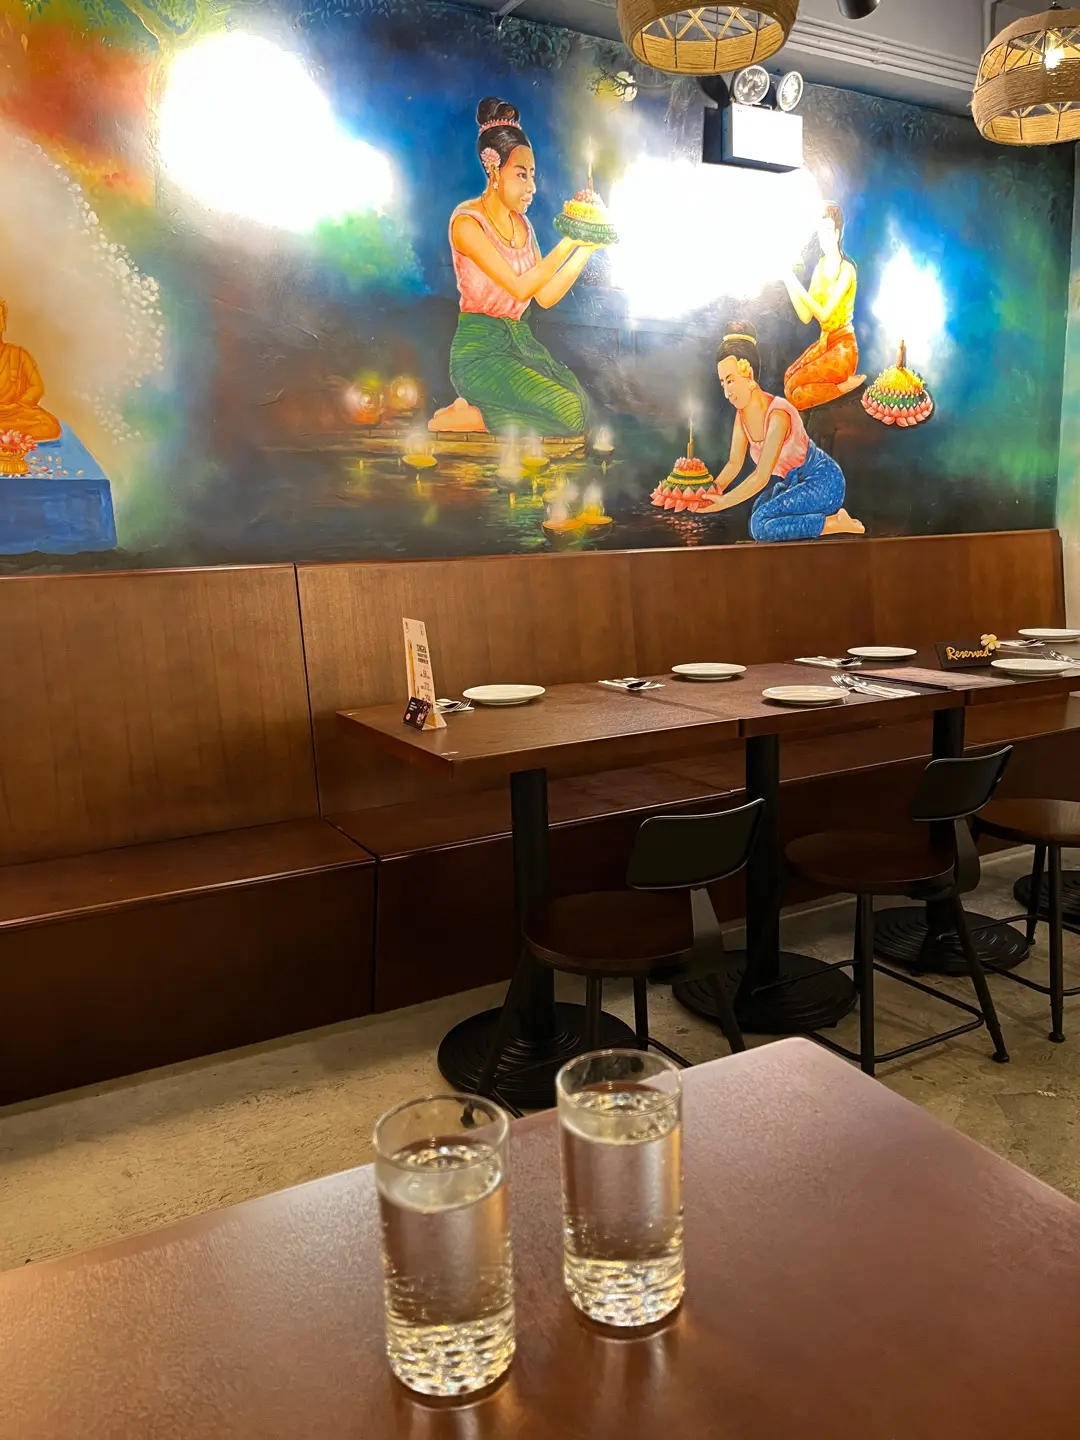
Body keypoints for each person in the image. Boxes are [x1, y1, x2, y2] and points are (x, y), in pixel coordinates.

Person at [429, 97, 600, 438]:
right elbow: (520, 288)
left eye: (532, 175)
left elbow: (545, 296)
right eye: (522, 175)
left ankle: (479, 413)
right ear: (494, 170)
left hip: (520, 344)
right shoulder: (467, 223)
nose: (531, 187)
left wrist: (587, 246)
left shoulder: (523, 226)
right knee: (570, 415)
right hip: (479, 353)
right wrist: (569, 239)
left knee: (584, 409)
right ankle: (476, 418)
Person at [701, 321, 864, 541]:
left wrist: (724, 502)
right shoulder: (742, 415)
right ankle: (824, 521)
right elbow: (734, 463)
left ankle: (833, 523)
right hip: (794, 484)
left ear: (748, 374)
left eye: (730, 381)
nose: (726, 392)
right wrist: (713, 490)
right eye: (722, 383)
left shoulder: (778, 414)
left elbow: (761, 476)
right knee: (758, 509)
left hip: (823, 482)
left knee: (759, 525)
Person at [782, 205, 865, 412]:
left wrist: (796, 284)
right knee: (788, 379)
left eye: (828, 231)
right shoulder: (820, 266)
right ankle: (837, 386)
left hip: (844, 349)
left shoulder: (846, 270)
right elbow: (805, 315)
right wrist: (788, 281)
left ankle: (843, 386)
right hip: (824, 344)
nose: (824, 237)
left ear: (837, 234)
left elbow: (824, 314)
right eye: (820, 231)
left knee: (795, 395)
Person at [0, 299, 61, 441]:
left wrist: (17, 405)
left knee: (49, 425)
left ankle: (7, 433)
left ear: (4, 322)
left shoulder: (19, 354)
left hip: (16, 413)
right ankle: (8, 434)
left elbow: (37, 387)